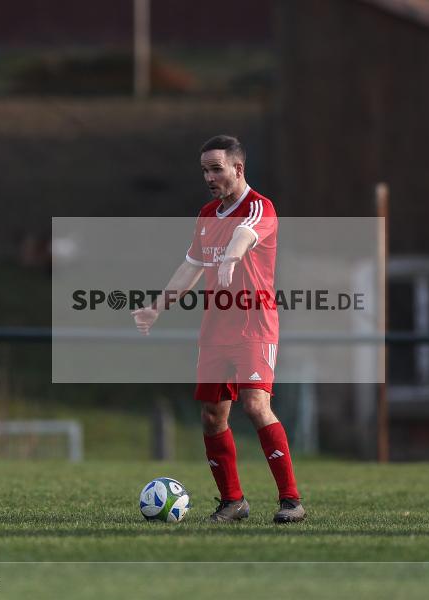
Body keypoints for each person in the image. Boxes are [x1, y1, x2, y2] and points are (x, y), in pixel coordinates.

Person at [132, 135, 305, 523]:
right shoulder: (207, 214)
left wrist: (230, 258)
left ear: (238, 169)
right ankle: (233, 502)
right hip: (215, 329)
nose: (209, 177)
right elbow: (191, 266)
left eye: (216, 169)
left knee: (255, 405)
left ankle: (291, 501)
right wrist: (156, 307)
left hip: (254, 324)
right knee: (212, 415)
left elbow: (245, 234)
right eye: (204, 171)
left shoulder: (260, 207)